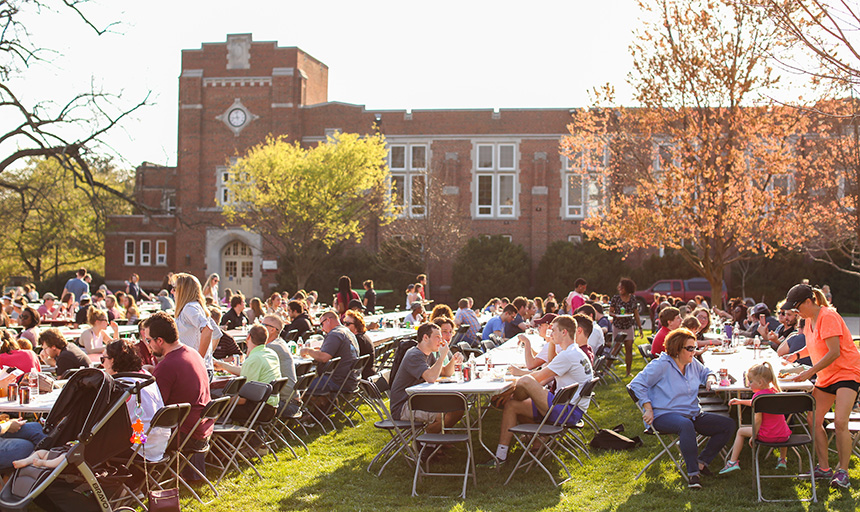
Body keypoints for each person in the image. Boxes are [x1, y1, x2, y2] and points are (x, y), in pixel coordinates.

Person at [629, 328, 735, 489]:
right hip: (663, 415)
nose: (695, 351)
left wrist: (710, 378)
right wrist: (647, 407)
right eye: (690, 348)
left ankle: (701, 462)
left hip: (692, 414)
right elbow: (636, 384)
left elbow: (707, 372)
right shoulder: (661, 365)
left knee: (728, 425)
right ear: (677, 349)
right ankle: (693, 475)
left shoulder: (691, 363)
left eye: (695, 347)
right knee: (686, 425)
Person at [484, 315, 594, 467]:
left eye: (554, 330)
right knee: (512, 405)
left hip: (567, 412)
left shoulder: (568, 355)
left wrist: (509, 390)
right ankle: (501, 456)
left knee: (526, 381)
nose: (551, 333)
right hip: (571, 408)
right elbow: (543, 380)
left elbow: (535, 378)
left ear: (564, 332)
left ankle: (532, 435)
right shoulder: (573, 352)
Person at [782, 284, 860, 488]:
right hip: (827, 376)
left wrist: (809, 372)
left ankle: (843, 472)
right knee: (813, 419)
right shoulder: (808, 320)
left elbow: (833, 351)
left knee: (841, 422)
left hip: (846, 372)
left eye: (797, 306)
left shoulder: (828, 316)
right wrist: (797, 355)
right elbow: (815, 345)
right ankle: (824, 468)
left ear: (809, 301)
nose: (795, 311)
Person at [144, 312, 213, 472]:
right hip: (202, 429)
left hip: (183, 435)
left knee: (133, 432)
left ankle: (131, 482)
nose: (148, 345)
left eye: (149, 340)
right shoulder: (193, 353)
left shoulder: (167, 366)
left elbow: (154, 408)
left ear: (159, 340)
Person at [101, 339, 169, 462]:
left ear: (113, 360)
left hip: (138, 448)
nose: (102, 364)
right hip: (158, 445)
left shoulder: (121, 385)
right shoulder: (146, 377)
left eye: (103, 359)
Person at [388, 322, 463, 434]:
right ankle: (424, 445)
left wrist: (453, 361)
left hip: (418, 400)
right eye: (437, 337)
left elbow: (445, 373)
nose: (441, 341)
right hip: (404, 407)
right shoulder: (414, 355)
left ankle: (436, 441)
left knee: (458, 409)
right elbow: (431, 378)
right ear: (425, 338)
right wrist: (442, 357)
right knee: (445, 415)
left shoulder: (428, 354)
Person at [720, 362, 790, 474]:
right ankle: (782, 460)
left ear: (760, 382)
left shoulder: (758, 397)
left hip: (767, 435)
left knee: (740, 431)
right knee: (782, 425)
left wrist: (754, 435)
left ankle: (732, 462)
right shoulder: (775, 392)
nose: (749, 384)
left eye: (751, 381)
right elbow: (756, 403)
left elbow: (758, 420)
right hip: (784, 436)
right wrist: (740, 402)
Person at [214, 325, 281, 423]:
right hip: (269, 407)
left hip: (257, 409)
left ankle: (212, 434)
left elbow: (242, 400)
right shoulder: (270, 353)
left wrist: (218, 401)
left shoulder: (253, 359)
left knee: (213, 405)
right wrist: (222, 365)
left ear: (248, 337)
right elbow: (245, 371)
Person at [173, 273, 221, 379]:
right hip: (203, 368)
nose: (172, 291)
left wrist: (199, 358)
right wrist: (207, 355)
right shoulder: (197, 306)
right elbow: (217, 334)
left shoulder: (189, 308)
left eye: (175, 288)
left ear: (183, 291)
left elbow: (208, 330)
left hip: (195, 368)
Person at [299, 310, 358, 395]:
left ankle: (297, 406)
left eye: (322, 324)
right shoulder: (346, 331)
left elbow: (324, 357)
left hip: (337, 381)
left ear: (328, 320)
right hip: (351, 380)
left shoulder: (335, 334)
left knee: (298, 386)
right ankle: (323, 403)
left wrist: (307, 350)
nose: (322, 329)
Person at [257, 315, 298, 413]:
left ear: (272, 330)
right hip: (291, 400)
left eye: (263, 325)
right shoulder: (280, 342)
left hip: (285, 403)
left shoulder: (271, 347)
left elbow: (251, 368)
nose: (259, 327)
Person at [610, 278, 643, 377]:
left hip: (628, 326)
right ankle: (606, 368)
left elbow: (636, 314)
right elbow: (611, 312)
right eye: (619, 286)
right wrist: (615, 315)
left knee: (629, 348)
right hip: (618, 325)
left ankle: (628, 372)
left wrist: (640, 327)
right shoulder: (615, 298)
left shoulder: (632, 299)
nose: (620, 288)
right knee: (617, 347)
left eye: (622, 287)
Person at [343, 309, 375, 379]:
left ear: (357, 326)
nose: (344, 326)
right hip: (366, 372)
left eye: (347, 324)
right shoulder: (363, 336)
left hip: (360, 376)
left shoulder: (357, 340)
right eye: (344, 323)